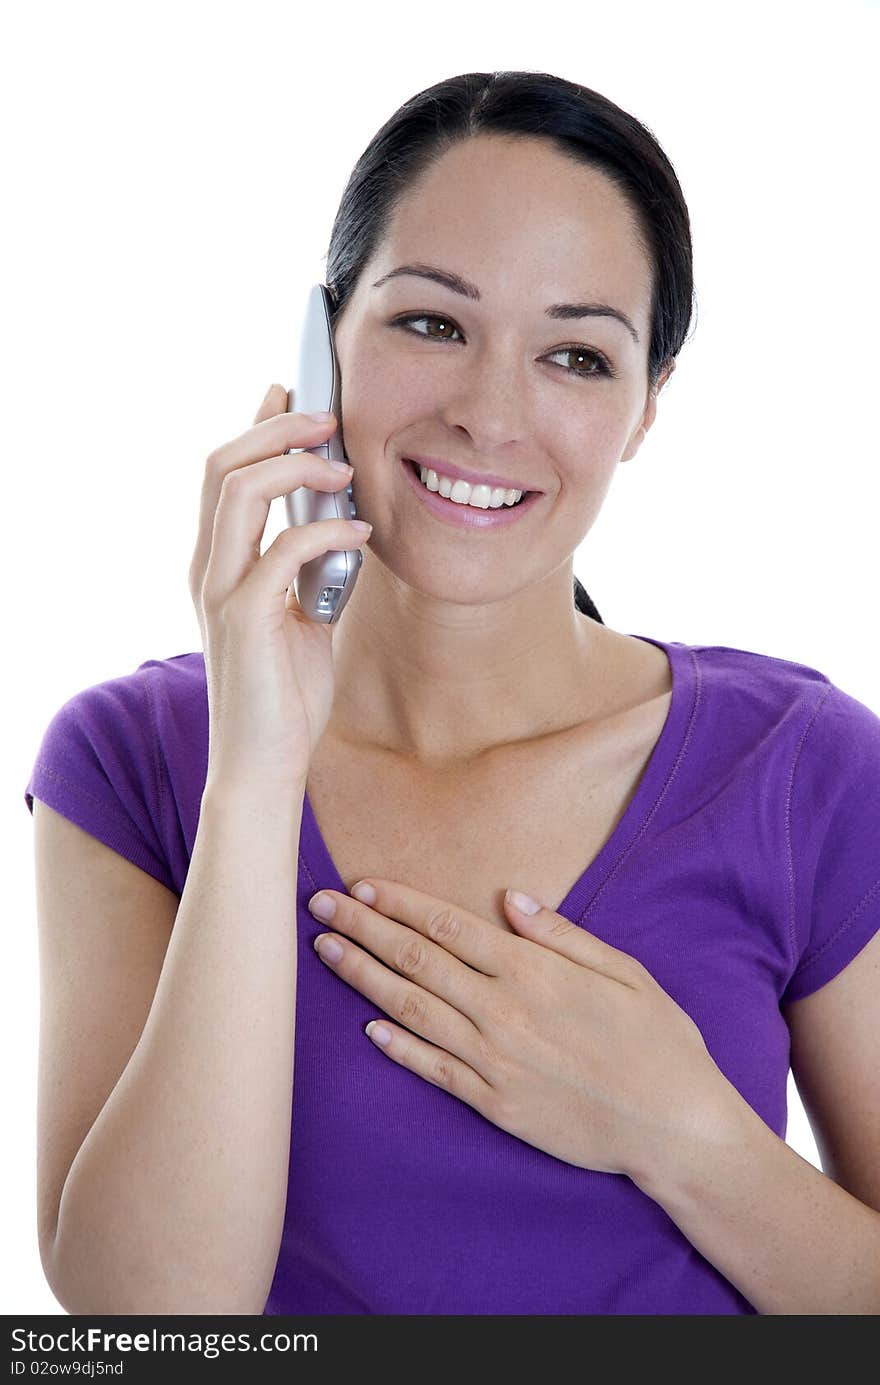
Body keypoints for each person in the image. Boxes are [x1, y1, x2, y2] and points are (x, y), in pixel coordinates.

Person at [25, 70, 880, 1317]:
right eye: (432, 323)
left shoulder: (804, 766)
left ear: (646, 409)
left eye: (576, 355)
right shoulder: (132, 757)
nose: (488, 413)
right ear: (322, 342)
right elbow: (152, 1329)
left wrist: (684, 1135)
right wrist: (258, 765)